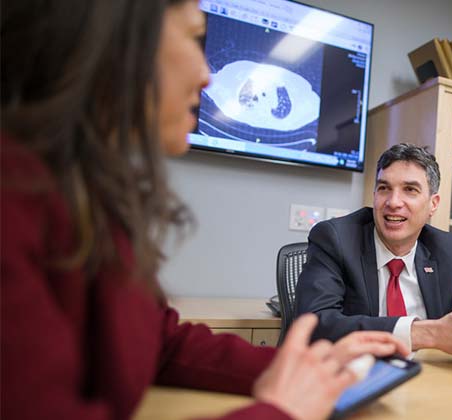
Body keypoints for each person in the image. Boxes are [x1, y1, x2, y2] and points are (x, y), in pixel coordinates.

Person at [0, 1, 409, 419]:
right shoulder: (12, 201)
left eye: (411, 191)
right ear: (115, 43)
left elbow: (159, 340)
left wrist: (303, 370)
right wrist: (281, 411)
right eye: (196, 38)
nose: (207, 74)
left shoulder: (83, 195)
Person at [296, 143, 452, 362]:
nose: (393, 202)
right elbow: (314, 324)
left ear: (433, 204)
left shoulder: (447, 250)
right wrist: (431, 334)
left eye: (410, 190)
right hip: (354, 378)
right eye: (384, 188)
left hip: (428, 381)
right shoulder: (336, 239)